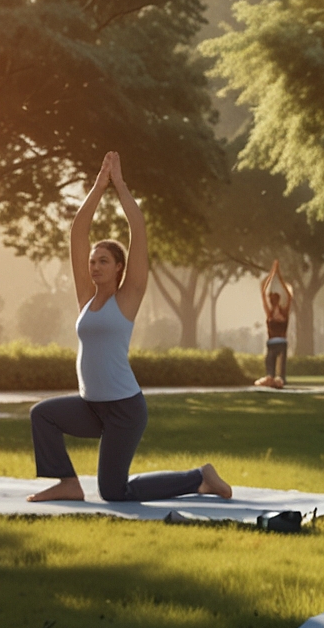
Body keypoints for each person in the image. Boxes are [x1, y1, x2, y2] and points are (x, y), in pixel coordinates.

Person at [28, 153, 232, 504]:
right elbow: (79, 233)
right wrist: (96, 187)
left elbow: (137, 231)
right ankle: (67, 483)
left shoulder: (128, 298)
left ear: (120, 267)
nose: (94, 266)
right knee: (42, 415)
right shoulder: (85, 299)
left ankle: (199, 479)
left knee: (113, 492)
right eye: (92, 261)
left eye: (103, 261)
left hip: (124, 409)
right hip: (90, 407)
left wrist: (119, 186)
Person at [255, 260, 293, 388]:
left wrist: (278, 274)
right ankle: (272, 380)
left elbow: (289, 295)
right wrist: (273, 273)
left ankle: (278, 381)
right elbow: (263, 292)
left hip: (281, 344)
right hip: (272, 345)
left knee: (280, 378)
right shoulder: (270, 313)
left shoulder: (283, 313)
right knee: (270, 376)